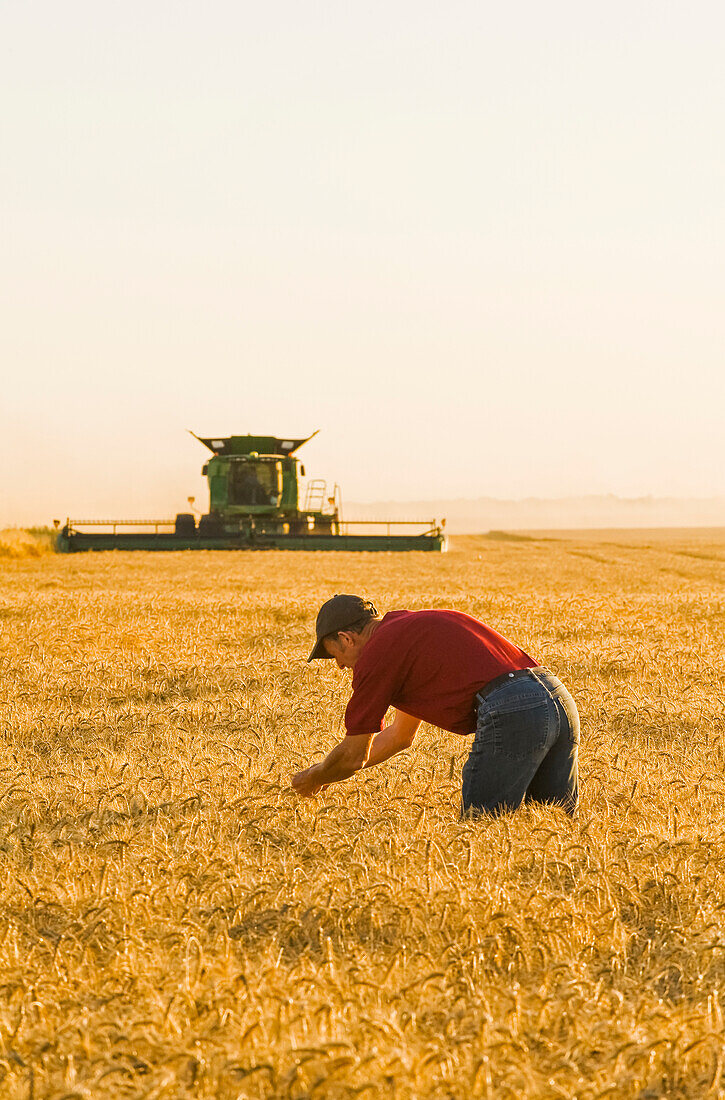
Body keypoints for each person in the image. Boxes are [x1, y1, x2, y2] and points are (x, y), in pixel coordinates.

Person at [292, 594, 579, 816]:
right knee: (553, 826)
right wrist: (331, 771)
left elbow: (354, 755)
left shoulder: (377, 655)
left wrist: (315, 776)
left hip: (514, 710)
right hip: (558, 699)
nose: (341, 666)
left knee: (484, 830)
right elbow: (399, 736)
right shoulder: (407, 634)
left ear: (346, 638)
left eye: (335, 656)